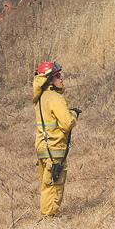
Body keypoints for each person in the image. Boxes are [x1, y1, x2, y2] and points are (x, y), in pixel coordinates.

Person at [32, 61, 80, 217]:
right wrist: (73, 114)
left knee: (46, 185)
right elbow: (67, 124)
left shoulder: (41, 98)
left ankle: (46, 215)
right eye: (58, 76)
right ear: (49, 79)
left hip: (42, 148)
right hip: (55, 148)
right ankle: (49, 218)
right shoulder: (55, 98)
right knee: (55, 185)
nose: (61, 79)